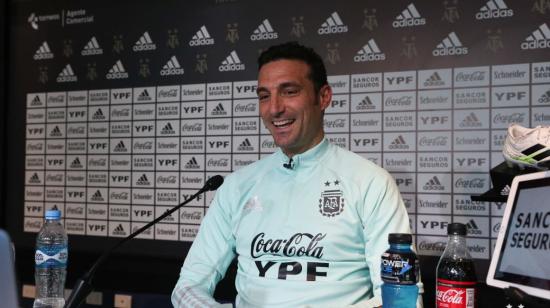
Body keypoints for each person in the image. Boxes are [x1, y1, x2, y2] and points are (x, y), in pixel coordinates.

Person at [172, 42, 412, 307]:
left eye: (289, 91)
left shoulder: (371, 182)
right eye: (264, 96)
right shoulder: (236, 186)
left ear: (323, 97)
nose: (274, 108)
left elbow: (400, 296)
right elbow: (188, 285)